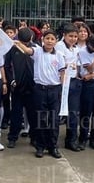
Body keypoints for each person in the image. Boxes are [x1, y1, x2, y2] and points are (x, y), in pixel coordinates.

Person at [15, 30, 66, 158]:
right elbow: (27, 51)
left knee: (54, 119)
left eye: (52, 39)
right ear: (43, 39)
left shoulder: (59, 55)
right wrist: (16, 42)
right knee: (40, 118)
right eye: (47, 38)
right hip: (39, 90)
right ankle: (40, 146)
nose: (49, 41)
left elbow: (62, 73)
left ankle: (53, 146)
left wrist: (61, 88)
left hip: (54, 89)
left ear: (56, 41)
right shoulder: (37, 51)